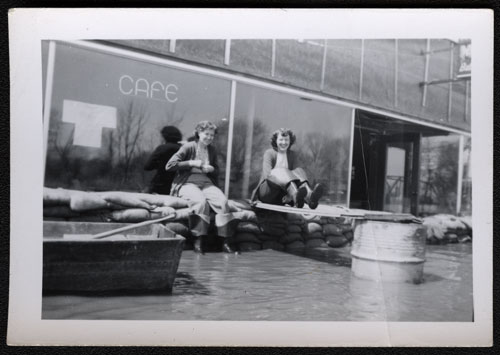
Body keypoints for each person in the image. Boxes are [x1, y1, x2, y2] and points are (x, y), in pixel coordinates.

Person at [165, 121, 237, 254]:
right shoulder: (188, 147)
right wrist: (192, 162)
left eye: (212, 135)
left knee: (223, 202)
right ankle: (198, 241)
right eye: (206, 134)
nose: (209, 137)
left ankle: (225, 242)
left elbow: (217, 171)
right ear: (198, 133)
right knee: (200, 202)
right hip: (187, 182)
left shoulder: (212, 150)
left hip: (206, 182)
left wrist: (212, 169)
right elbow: (170, 165)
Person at [252, 128, 325, 209]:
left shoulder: (293, 155)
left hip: (283, 197)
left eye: (286, 140)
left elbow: (298, 175)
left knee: (299, 170)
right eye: (281, 140)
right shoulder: (269, 153)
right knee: (281, 170)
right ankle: (295, 195)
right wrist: (289, 191)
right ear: (275, 141)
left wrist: (292, 194)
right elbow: (267, 175)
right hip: (267, 192)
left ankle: (310, 198)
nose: (284, 143)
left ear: (290, 142)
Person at [144, 126, 182, 195]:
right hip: (177, 186)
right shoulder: (183, 148)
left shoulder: (162, 148)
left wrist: (160, 164)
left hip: (159, 186)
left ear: (165, 136)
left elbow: (147, 166)